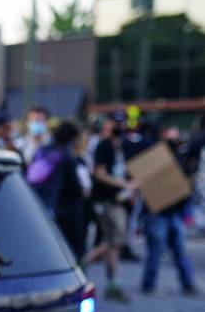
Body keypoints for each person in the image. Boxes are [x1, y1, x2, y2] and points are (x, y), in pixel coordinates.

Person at [84, 113, 136, 301]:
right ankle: (81, 264)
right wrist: (125, 185)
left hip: (118, 201)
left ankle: (112, 281)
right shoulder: (103, 145)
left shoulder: (122, 146)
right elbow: (100, 174)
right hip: (106, 200)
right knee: (114, 241)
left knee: (115, 243)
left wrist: (129, 190)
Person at [140, 126, 198, 295]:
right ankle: (149, 285)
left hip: (174, 213)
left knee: (180, 251)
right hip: (157, 213)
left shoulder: (180, 158)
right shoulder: (153, 159)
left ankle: (187, 284)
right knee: (156, 251)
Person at [27, 121, 88, 258]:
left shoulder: (42, 150)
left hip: (39, 205)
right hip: (64, 211)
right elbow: (75, 189)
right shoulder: (66, 156)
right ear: (73, 138)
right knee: (71, 252)